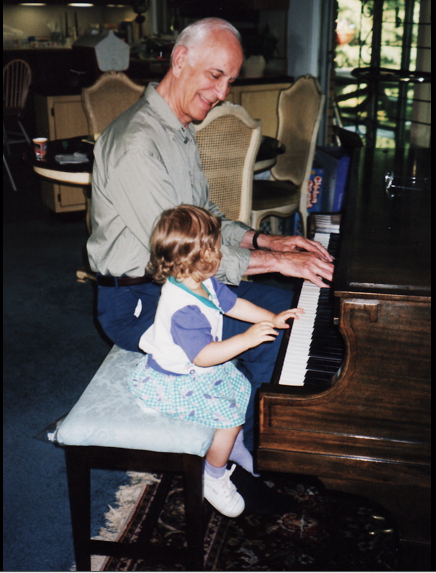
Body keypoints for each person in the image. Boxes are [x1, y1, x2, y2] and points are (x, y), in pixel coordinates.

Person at [87, 17, 334, 454]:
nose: (222, 94)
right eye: (216, 76)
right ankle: (254, 455)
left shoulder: (177, 131)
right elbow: (185, 251)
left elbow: (209, 219)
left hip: (178, 284)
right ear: (180, 60)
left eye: (230, 81)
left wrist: (268, 242)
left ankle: (262, 435)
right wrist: (279, 264)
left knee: (285, 311)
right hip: (138, 302)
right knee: (271, 328)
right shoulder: (137, 144)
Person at [127, 205, 303, 517]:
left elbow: (235, 304)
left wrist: (273, 318)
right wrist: (246, 340)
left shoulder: (200, 281)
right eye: (214, 247)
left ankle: (232, 448)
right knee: (230, 413)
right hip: (176, 380)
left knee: (242, 387)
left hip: (195, 369)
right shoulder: (183, 307)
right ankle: (213, 473)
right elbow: (204, 356)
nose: (220, 253)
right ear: (190, 258)